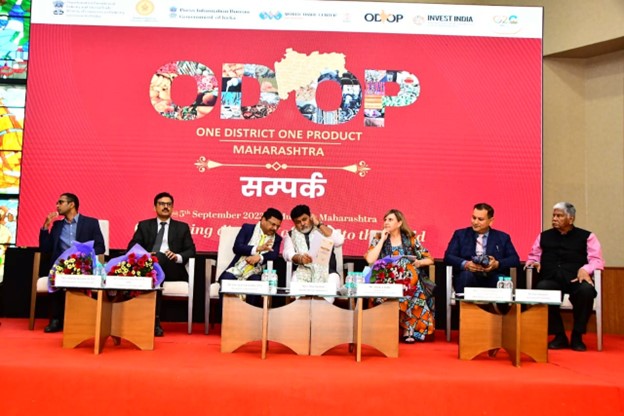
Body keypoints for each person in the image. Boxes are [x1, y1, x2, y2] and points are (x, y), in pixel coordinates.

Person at [526, 202, 604, 352]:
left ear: (571, 219)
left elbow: (597, 260)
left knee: (586, 291)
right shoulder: (544, 236)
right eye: (554, 215)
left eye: (559, 216)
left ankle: (577, 335)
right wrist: (534, 262)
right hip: (552, 278)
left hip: (576, 279)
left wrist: (585, 269)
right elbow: (533, 256)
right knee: (543, 288)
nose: (554, 219)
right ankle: (559, 335)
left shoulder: (587, 236)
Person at [128, 192, 196, 336]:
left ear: (172, 208)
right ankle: (154, 320)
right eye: (162, 204)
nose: (165, 207)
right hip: (149, 266)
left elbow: (191, 250)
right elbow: (132, 247)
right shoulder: (144, 225)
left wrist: (176, 256)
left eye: (169, 204)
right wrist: (146, 254)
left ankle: (152, 320)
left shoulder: (182, 227)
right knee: (156, 261)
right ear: (155, 207)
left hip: (173, 269)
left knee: (159, 257)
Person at [364, 209, 435, 343]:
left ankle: (408, 328)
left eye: (390, 220)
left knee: (407, 272)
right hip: (385, 278)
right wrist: (382, 240)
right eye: (385, 220)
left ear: (399, 223)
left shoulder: (410, 239)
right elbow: (370, 259)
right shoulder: (378, 238)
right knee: (408, 283)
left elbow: (429, 259)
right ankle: (405, 326)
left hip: (408, 279)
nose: (386, 222)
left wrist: (419, 262)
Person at [39, 193, 105, 333]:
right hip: (61, 265)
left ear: (71, 204)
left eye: (60, 202)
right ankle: (56, 320)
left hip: (83, 263)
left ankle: (83, 319)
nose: (57, 205)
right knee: (56, 272)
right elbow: (45, 248)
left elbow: (100, 247)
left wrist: (84, 255)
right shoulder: (57, 225)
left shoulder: (91, 223)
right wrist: (46, 226)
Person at [444, 203, 520, 294]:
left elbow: (514, 259)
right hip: (469, 275)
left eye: (480, 219)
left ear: (490, 221)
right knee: (466, 276)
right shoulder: (460, 234)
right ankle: (464, 303)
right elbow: (448, 257)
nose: (475, 222)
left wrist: (496, 264)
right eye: (474, 218)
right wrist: (466, 264)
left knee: (500, 281)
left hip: (492, 275)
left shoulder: (502, 237)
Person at [219, 208, 283, 306]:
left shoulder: (277, 239)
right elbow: (237, 247)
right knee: (227, 278)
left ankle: (250, 315)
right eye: (273, 224)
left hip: (256, 271)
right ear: (263, 219)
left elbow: (273, 255)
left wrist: (259, 257)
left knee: (256, 282)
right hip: (238, 267)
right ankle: (224, 315)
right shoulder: (247, 229)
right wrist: (257, 248)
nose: (275, 228)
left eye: (277, 226)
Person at [282, 205, 345, 295]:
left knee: (333, 281)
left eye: (304, 219)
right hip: (303, 272)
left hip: (327, 272)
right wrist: (300, 258)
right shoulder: (291, 234)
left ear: (310, 217)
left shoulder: (324, 229)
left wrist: (319, 224)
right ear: (294, 223)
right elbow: (287, 253)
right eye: (298, 222)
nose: (302, 223)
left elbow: (339, 241)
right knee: (296, 282)